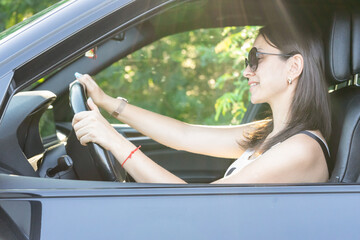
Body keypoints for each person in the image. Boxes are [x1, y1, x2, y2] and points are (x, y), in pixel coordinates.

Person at [72, 22, 331, 184]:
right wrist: (108, 103)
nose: (246, 71)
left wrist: (113, 140)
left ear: (294, 66)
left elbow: (200, 206)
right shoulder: (272, 133)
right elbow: (185, 134)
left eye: (256, 57)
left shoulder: (302, 149)